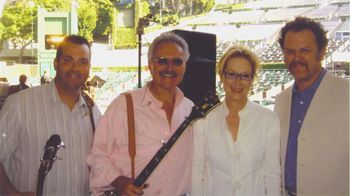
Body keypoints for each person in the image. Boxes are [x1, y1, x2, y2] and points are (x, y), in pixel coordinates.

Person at [87, 32, 194, 196]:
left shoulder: (191, 110)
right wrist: (118, 181)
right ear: (151, 65)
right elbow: (98, 155)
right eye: (162, 60)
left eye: (177, 62)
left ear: (185, 66)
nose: (170, 67)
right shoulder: (124, 105)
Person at [0, 35, 101, 195]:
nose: (75, 68)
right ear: (56, 63)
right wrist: (11, 193)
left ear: (89, 67)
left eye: (82, 62)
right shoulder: (20, 104)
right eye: (68, 60)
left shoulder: (93, 111)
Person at [274, 16, 349, 196]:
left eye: (305, 50)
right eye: (290, 51)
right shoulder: (281, 100)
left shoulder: (346, 93)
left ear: (321, 52)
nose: (296, 58)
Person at [191, 45, 281, 196]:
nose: (237, 82)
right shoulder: (204, 120)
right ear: (221, 76)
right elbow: (197, 171)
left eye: (245, 75)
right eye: (231, 74)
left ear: (253, 79)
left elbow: (272, 174)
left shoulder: (269, 120)